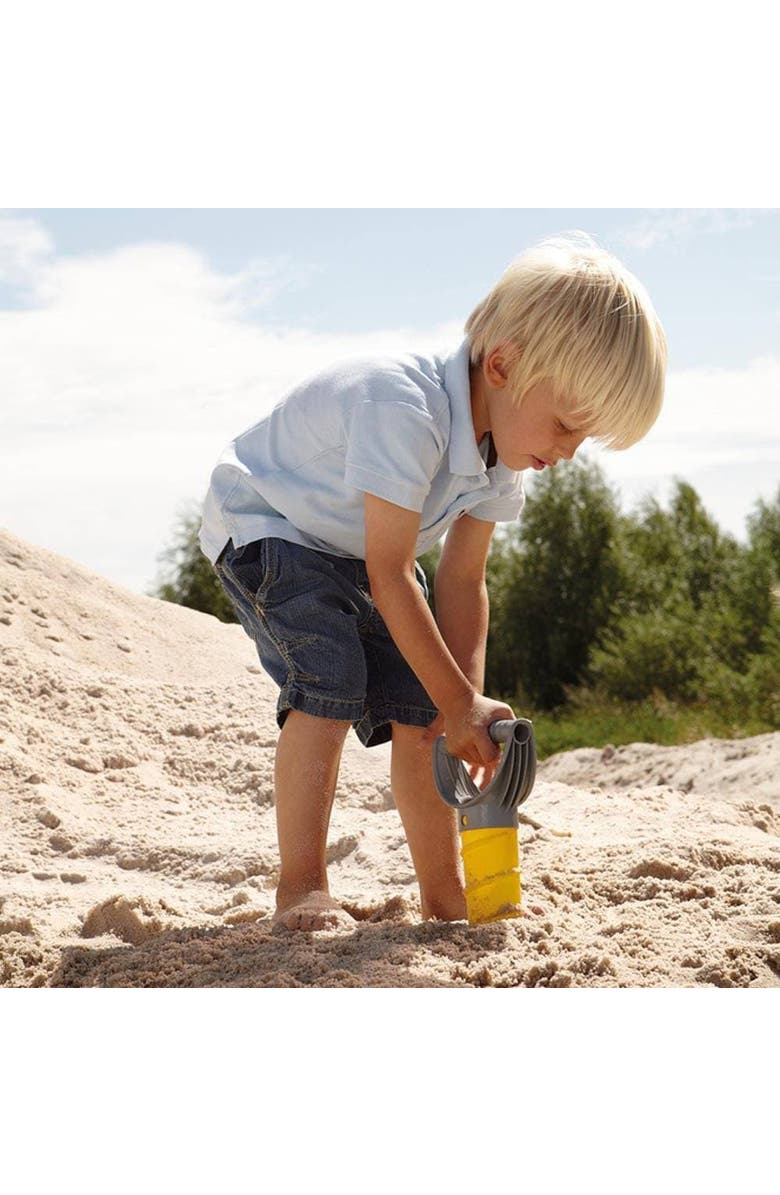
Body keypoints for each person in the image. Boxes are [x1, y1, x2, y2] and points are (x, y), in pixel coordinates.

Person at [198, 231, 667, 931]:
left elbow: (463, 581)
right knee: (331, 677)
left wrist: (461, 708)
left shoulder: (503, 459)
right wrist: (457, 703)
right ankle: (301, 888)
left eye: (584, 440)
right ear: (502, 366)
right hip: (271, 524)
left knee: (424, 712)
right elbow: (391, 575)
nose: (568, 453)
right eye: (567, 425)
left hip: (354, 548)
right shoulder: (403, 408)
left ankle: (446, 903)